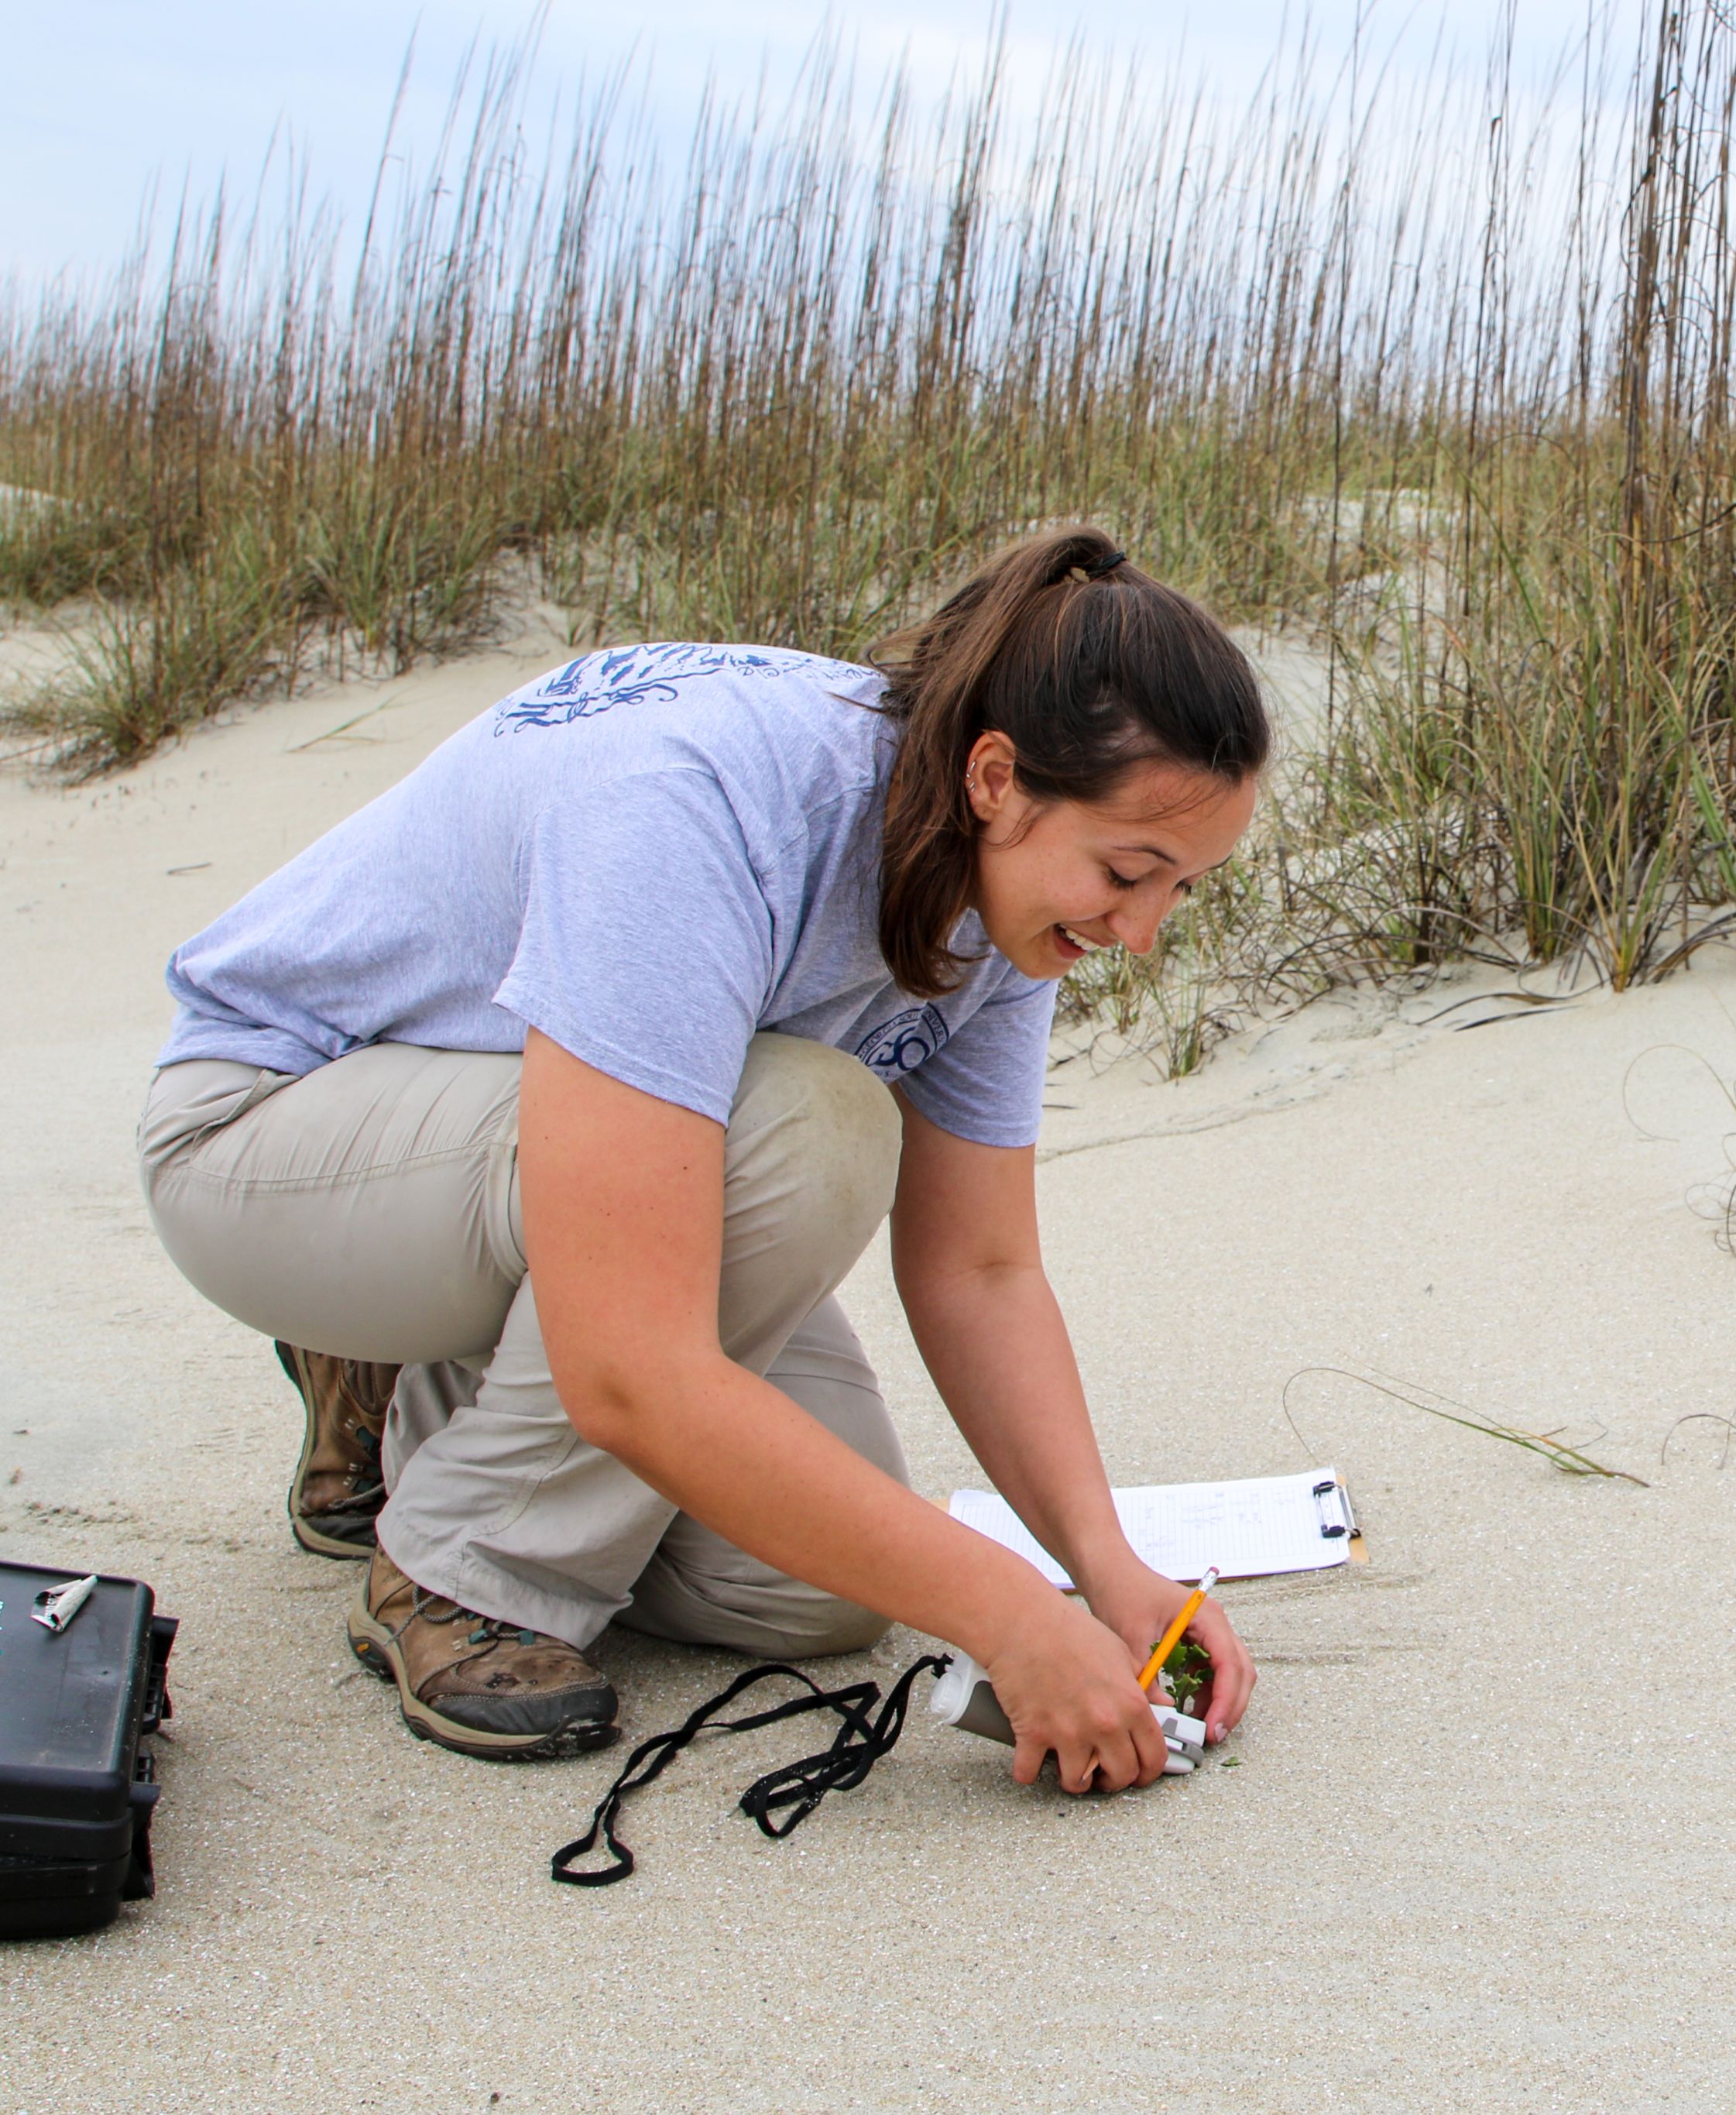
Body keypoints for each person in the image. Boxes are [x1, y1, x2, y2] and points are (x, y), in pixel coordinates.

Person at [134, 527, 1261, 1796]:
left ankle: (408, 1392)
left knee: (804, 1597)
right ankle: (457, 1569)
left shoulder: (1006, 899)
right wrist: (1007, 1616)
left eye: (1182, 891)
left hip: (523, 1160)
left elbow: (981, 1270)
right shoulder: (700, 798)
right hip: (267, 1137)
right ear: (997, 776)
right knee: (812, 1126)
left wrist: (1102, 1573)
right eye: (1131, 872)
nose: (1145, 931)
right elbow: (628, 1368)